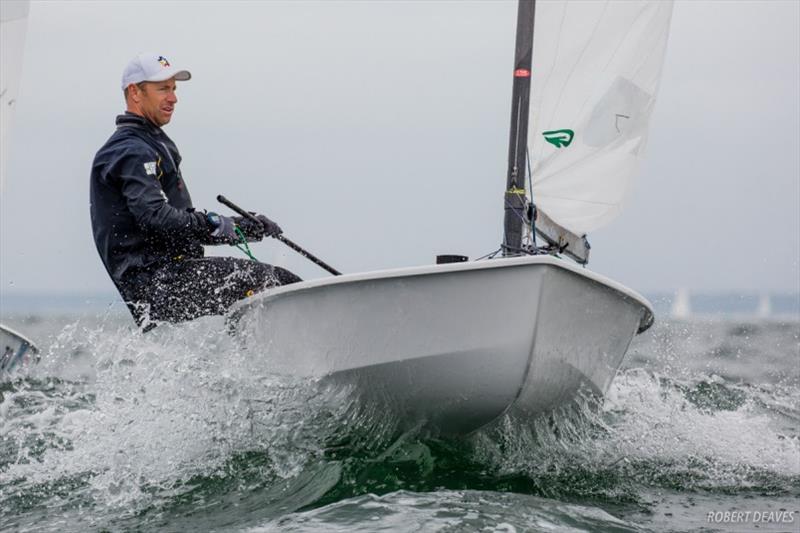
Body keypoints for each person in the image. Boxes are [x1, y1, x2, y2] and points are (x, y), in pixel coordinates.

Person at [90, 53, 300, 328]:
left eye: (174, 89)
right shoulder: (130, 150)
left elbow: (180, 226)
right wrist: (218, 224)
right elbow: (155, 218)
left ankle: (266, 361)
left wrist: (242, 227)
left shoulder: (152, 144)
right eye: (163, 88)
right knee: (278, 283)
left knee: (268, 287)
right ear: (135, 93)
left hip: (174, 275)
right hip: (157, 284)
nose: (173, 98)